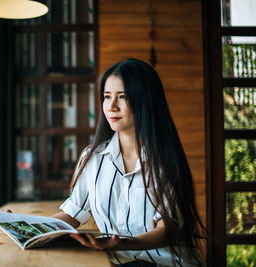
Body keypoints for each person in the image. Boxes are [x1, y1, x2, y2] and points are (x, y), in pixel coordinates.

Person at [48, 59, 207, 266]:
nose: (112, 106)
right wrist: (28, 226)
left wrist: (121, 244)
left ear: (145, 100)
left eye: (123, 97)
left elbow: (166, 230)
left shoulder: (165, 160)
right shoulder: (92, 158)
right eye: (107, 97)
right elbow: (72, 214)